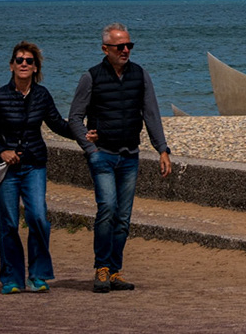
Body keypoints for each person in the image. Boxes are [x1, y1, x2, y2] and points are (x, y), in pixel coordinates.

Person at [69, 23, 173, 294]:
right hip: (102, 155)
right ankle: (101, 268)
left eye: (129, 45)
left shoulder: (140, 75)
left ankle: (115, 271)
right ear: (106, 49)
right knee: (107, 209)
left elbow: (151, 114)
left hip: (130, 156)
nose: (125, 50)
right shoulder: (91, 77)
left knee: (123, 217)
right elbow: (75, 117)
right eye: (119, 47)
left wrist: (162, 150)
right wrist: (88, 146)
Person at [0, 40, 78, 294]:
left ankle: (37, 275)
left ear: (35, 68)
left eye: (29, 61)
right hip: (6, 169)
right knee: (9, 223)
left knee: (38, 218)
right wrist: (2, 151)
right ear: (11, 66)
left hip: (34, 165)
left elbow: (57, 124)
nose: (23, 64)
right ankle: (11, 279)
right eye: (19, 60)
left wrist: (83, 133)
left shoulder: (42, 95)